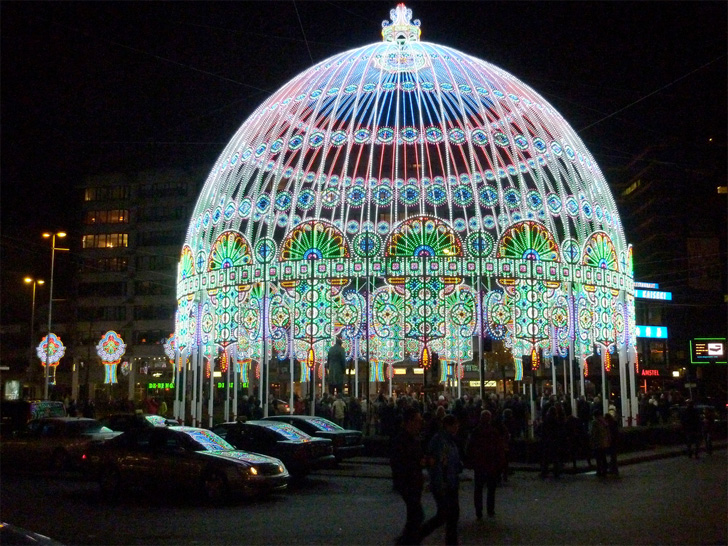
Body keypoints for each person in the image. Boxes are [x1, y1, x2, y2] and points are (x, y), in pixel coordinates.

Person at [420, 414, 462, 545]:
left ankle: (451, 541)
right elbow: (438, 464)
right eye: (454, 425)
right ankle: (419, 534)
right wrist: (440, 483)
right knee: (445, 514)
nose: (457, 428)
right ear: (448, 426)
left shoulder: (449, 440)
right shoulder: (441, 441)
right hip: (445, 483)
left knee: (451, 514)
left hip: (451, 482)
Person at [390, 407, 426, 545]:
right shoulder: (403, 440)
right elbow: (400, 461)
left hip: (412, 481)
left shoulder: (410, 438)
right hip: (409, 482)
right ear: (409, 422)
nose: (420, 424)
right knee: (417, 515)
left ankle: (407, 540)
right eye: (417, 421)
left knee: (415, 515)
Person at [466, 410, 506, 520]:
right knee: (491, 488)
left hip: (479, 464)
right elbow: (499, 448)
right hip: (491, 464)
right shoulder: (493, 432)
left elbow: (470, 447)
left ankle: (479, 510)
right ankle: (490, 509)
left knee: (478, 488)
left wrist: (470, 461)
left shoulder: (476, 432)